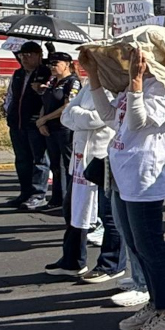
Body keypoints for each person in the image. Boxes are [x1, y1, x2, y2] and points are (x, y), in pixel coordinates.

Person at [84, 46, 165, 330]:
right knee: (136, 245)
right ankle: (156, 303)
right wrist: (93, 75)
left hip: (145, 179)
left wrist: (137, 83)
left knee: (150, 246)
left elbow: (138, 121)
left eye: (134, 53)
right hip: (123, 175)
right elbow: (110, 117)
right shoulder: (133, 84)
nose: (128, 58)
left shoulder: (164, 87)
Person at [47, 76, 124, 282]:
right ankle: (72, 260)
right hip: (80, 158)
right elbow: (66, 115)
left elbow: (98, 119)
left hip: (102, 158)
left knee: (109, 215)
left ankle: (111, 264)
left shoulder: (115, 86)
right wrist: (80, 116)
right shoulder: (89, 85)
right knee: (73, 210)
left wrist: (77, 115)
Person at [5, 41, 52, 210]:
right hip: (17, 122)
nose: (24, 58)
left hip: (35, 123)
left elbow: (52, 97)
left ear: (39, 56)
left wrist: (42, 90)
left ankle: (38, 194)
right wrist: (8, 111)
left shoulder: (46, 73)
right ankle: (25, 192)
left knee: (39, 160)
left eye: (29, 55)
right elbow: (10, 95)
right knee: (22, 160)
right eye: (22, 55)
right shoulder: (18, 74)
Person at [35, 52, 80, 210]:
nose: (52, 67)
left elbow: (68, 105)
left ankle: (70, 200)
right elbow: (45, 102)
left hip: (64, 128)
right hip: (50, 128)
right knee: (55, 165)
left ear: (67, 64)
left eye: (56, 64)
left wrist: (45, 119)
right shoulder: (53, 81)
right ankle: (57, 198)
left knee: (68, 165)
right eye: (50, 64)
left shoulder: (72, 82)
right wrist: (42, 122)